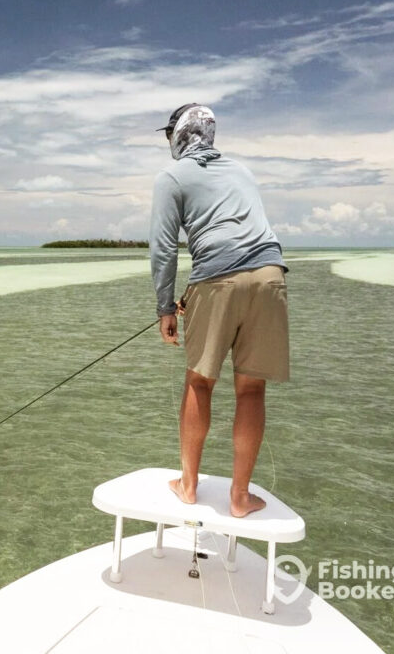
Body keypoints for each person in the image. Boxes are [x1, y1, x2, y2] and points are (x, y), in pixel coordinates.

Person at [149, 104, 289, 518]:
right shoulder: (242, 170)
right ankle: (240, 498)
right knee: (251, 388)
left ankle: (189, 486)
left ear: (179, 134)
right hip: (270, 274)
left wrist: (164, 306)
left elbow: (162, 248)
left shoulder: (171, 176)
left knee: (199, 383)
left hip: (216, 277)